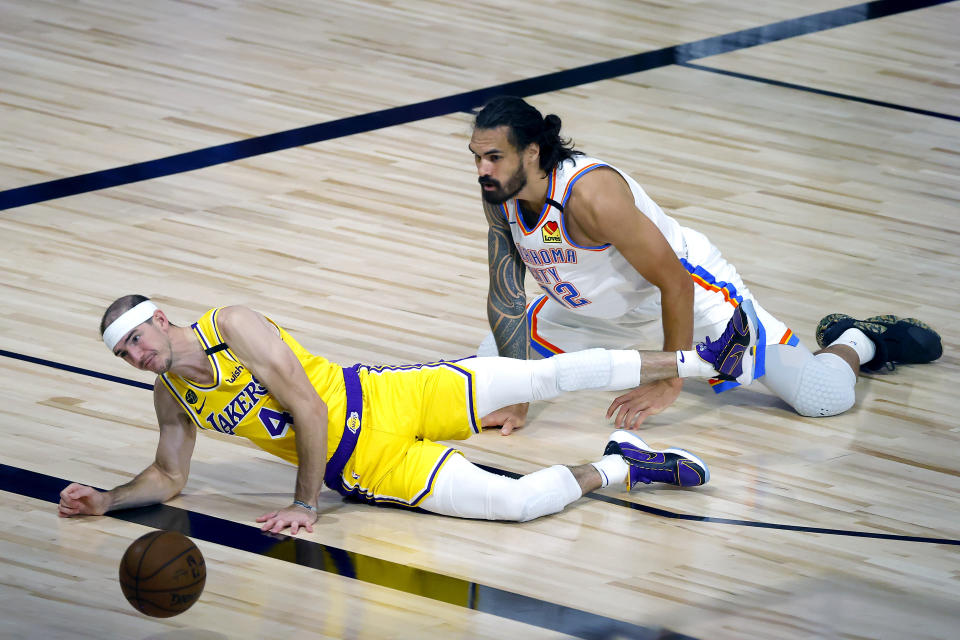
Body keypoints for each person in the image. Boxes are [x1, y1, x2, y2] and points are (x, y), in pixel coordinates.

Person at [58, 295, 758, 534]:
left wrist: (305, 503)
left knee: (542, 374)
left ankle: (703, 359)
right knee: (514, 507)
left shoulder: (231, 324)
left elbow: (304, 404)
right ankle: (619, 465)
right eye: (124, 353)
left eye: (138, 340)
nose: (136, 355)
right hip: (369, 464)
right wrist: (110, 499)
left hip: (387, 395)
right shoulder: (171, 396)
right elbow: (169, 477)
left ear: (163, 320)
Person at [470, 95, 943, 434]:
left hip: (688, 293)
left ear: (532, 152)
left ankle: (855, 340)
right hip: (601, 309)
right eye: (477, 158)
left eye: (494, 157)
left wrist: (669, 378)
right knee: (488, 367)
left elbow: (674, 282)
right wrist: (518, 396)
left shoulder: (593, 197)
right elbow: (507, 295)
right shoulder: (502, 194)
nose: (482, 170)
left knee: (821, 399)